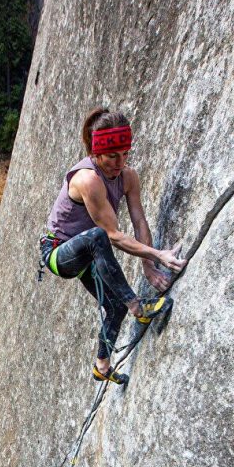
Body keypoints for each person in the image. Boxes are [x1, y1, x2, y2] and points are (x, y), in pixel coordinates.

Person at [40, 107, 186, 386]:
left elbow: (139, 220)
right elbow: (111, 234)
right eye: (111, 156)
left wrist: (150, 267)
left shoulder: (128, 176)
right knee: (97, 236)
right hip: (59, 253)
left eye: (125, 154)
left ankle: (101, 366)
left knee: (114, 308)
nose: (119, 163)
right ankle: (139, 308)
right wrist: (159, 255)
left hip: (88, 250)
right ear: (95, 154)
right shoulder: (87, 180)